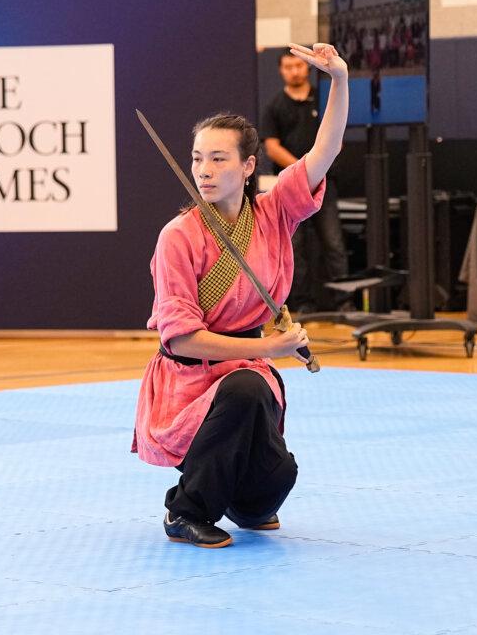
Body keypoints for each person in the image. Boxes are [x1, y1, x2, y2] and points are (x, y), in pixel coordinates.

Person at [133, 42, 349, 548]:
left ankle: (233, 492)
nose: (203, 170)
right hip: (191, 382)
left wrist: (338, 79)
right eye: (197, 159)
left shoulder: (275, 212)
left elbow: (327, 150)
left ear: (249, 165)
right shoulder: (178, 238)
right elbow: (182, 340)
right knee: (247, 389)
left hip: (250, 371)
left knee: (271, 491)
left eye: (218, 158)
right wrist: (267, 350)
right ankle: (185, 509)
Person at [259, 48, 348, 313]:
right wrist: (302, 171)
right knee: (293, 246)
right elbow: (272, 147)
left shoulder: (323, 101)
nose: (294, 71)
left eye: (298, 65)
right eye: (288, 67)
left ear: (307, 67)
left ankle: (344, 302)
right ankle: (301, 303)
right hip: (287, 188)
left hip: (324, 184)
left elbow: (335, 139)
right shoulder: (274, 107)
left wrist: (315, 170)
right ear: (280, 70)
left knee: (333, 243)